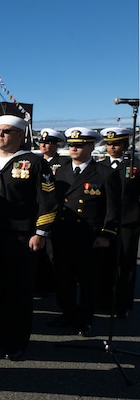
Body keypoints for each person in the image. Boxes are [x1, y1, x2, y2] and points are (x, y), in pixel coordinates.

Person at [0, 115, 58, 361]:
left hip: (22, 237)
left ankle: (16, 340)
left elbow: (48, 201)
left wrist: (40, 232)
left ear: (21, 135)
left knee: (17, 292)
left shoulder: (35, 163)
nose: (0, 135)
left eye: (7, 132)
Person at [49, 127, 121, 336]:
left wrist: (106, 234)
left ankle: (85, 319)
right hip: (63, 234)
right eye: (71, 145)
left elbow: (113, 208)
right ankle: (68, 313)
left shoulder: (105, 173)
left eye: (79, 145)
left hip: (90, 236)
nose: (73, 148)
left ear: (91, 146)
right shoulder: (60, 171)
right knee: (63, 278)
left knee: (89, 280)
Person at [99, 127, 140, 319]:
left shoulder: (135, 166)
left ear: (124, 145)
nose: (111, 147)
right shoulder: (99, 166)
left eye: (115, 144)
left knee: (126, 264)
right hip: (105, 221)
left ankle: (123, 304)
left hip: (127, 221)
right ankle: (105, 301)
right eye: (108, 144)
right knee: (105, 263)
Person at [35, 128, 68, 296]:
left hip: (56, 211)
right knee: (38, 252)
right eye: (42, 142)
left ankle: (52, 284)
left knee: (52, 251)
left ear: (56, 145)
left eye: (48, 143)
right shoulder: (35, 162)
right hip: (38, 211)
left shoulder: (63, 163)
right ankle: (40, 282)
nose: (44, 145)